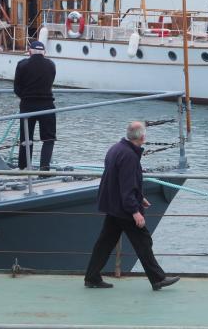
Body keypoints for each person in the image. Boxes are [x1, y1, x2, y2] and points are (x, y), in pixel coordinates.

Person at [84, 121, 180, 291]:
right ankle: (158, 279)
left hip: (113, 206)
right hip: (124, 209)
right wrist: (135, 211)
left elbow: (119, 181)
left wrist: (140, 197)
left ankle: (92, 277)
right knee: (143, 241)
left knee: (105, 242)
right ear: (142, 137)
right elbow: (127, 186)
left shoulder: (116, 149)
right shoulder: (129, 156)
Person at [14, 40, 56, 175]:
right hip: (47, 106)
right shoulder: (51, 65)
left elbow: (17, 88)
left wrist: (25, 97)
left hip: (27, 106)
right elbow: (51, 82)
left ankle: (24, 167)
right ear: (44, 52)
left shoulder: (22, 65)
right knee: (49, 139)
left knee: (26, 138)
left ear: (30, 51)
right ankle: (44, 169)